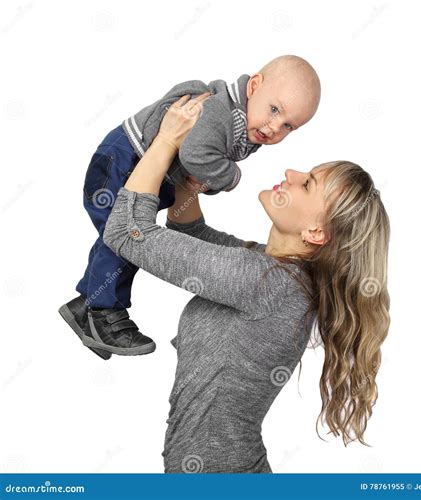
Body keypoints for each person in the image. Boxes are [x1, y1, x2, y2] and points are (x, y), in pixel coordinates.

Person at [100, 93, 391, 472]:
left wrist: (167, 140)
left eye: (307, 185)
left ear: (316, 232)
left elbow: (125, 231)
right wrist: (188, 183)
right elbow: (192, 232)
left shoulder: (269, 282)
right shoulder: (271, 269)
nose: (291, 174)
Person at [58, 55, 321, 359]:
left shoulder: (245, 121)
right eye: (274, 110)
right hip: (120, 163)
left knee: (120, 239)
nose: (275, 126)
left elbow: (198, 166)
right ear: (254, 85)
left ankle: (85, 306)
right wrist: (230, 177)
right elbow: (196, 154)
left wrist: (203, 179)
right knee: (127, 241)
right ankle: (102, 311)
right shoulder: (222, 113)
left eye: (288, 125)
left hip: (139, 169)